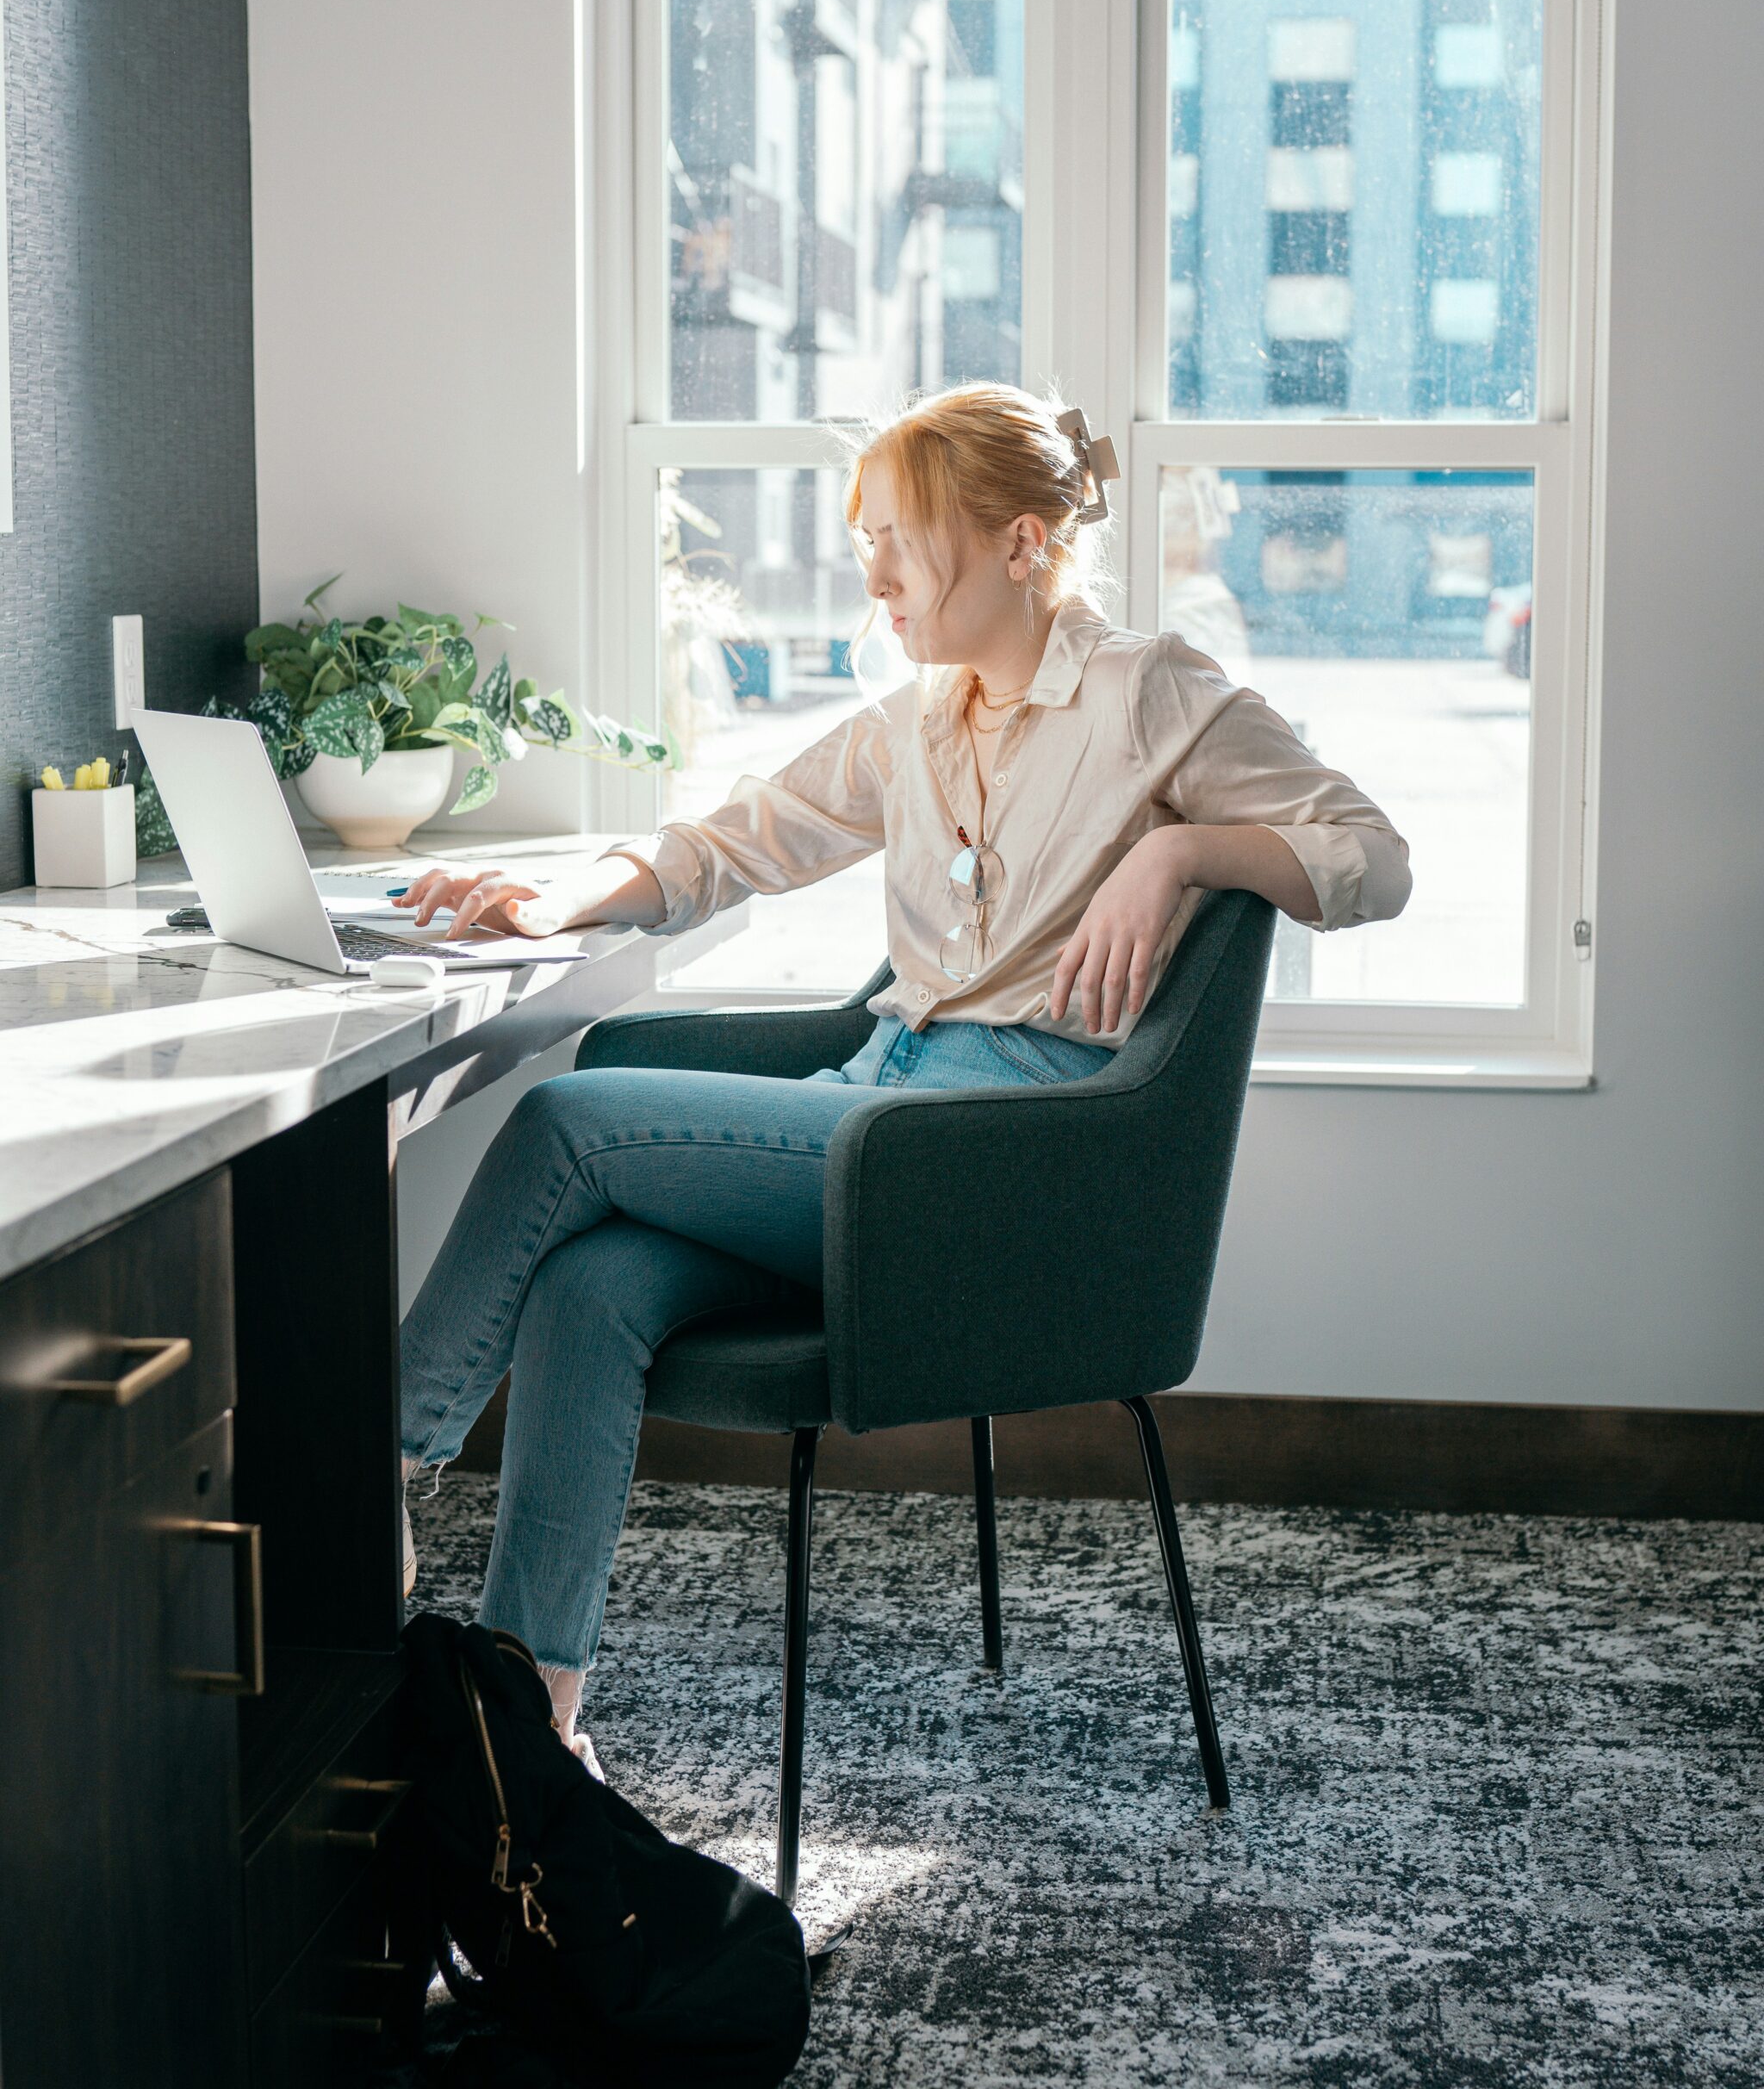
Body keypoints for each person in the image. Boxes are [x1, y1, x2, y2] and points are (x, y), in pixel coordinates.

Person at [393, 382, 1412, 1772]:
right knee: (589, 1289)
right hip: (879, 1106)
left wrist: (1182, 851)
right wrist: (554, 899)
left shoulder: (1148, 694)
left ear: (1023, 544)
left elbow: (1373, 856)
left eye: (897, 537)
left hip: (992, 1163)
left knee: (569, 1120)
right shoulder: (919, 718)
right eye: (863, 535)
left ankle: (381, 1460)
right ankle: (535, 1728)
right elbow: (729, 844)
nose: (866, 570)